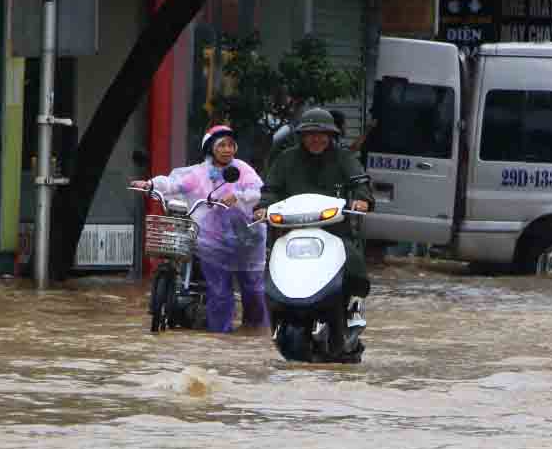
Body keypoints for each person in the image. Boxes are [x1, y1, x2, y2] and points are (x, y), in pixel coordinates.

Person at [132, 125, 268, 333]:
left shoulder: (241, 168)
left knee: (253, 290)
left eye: (231, 145)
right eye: (222, 145)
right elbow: (173, 185)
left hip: (244, 236)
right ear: (211, 148)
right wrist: (150, 184)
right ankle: (219, 336)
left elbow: (255, 192)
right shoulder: (199, 173)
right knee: (219, 291)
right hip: (211, 241)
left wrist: (238, 197)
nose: (227, 150)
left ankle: (255, 331)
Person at [255, 106, 375, 327]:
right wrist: (263, 207)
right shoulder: (285, 159)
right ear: (301, 136)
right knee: (272, 260)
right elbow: (270, 189)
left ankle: (354, 304)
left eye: (321, 135)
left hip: (334, 229)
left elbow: (360, 182)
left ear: (331, 136)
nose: (316, 140)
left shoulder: (344, 158)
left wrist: (362, 200)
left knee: (353, 260)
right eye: (310, 135)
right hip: (292, 230)